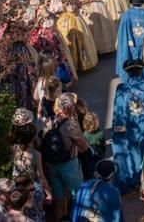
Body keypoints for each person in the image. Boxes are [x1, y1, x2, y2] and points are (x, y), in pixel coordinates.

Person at [111, 59, 144, 193]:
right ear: (141, 71)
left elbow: (118, 111)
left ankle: (135, 181)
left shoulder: (121, 89)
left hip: (130, 129)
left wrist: (118, 131)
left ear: (127, 72)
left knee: (133, 154)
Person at [46, 92, 88, 220]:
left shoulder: (50, 121)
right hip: (69, 165)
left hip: (52, 166)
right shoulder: (70, 124)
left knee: (60, 199)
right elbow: (83, 147)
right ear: (69, 107)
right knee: (79, 197)